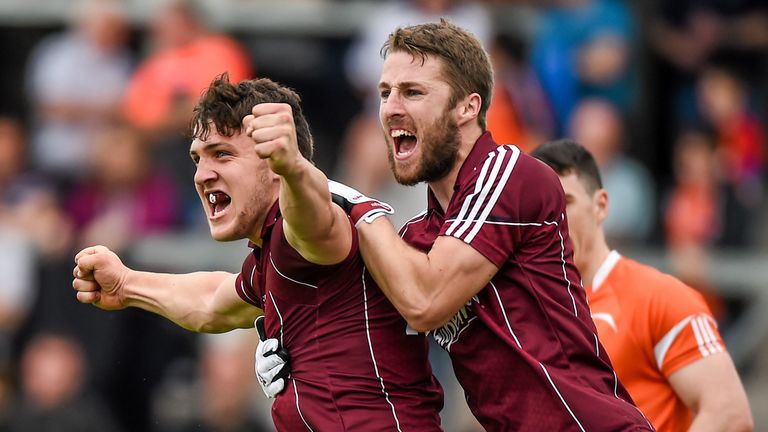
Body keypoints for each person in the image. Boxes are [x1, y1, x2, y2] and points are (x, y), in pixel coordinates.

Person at [314, 20, 652, 431]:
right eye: (385, 93)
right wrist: (290, 354)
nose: (391, 107)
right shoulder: (416, 239)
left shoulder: (509, 173)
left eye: (413, 91)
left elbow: (426, 301)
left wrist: (362, 211)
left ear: (467, 107)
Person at [72, 74, 443, 431]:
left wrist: (294, 167)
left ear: (274, 165)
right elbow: (212, 303)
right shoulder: (275, 253)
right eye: (198, 158)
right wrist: (126, 284)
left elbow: (313, 216)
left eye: (222, 154)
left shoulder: (303, 229)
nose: (202, 174)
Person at [531, 139, 754, 432]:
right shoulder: (527, 314)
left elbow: (729, 415)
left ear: (600, 206)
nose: (552, 218)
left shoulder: (659, 297)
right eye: (539, 207)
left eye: (565, 202)